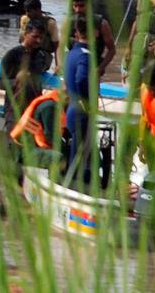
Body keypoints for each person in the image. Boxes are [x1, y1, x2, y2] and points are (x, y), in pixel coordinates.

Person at [0, 18, 53, 134]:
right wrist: (16, 80)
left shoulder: (41, 56)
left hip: (34, 109)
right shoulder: (12, 55)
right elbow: (1, 84)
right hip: (14, 110)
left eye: (41, 38)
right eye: (35, 37)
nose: (38, 41)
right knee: (14, 144)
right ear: (25, 34)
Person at [61, 20, 94, 186]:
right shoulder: (85, 55)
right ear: (95, 34)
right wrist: (84, 99)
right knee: (78, 152)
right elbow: (81, 78)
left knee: (75, 149)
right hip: (80, 108)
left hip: (71, 107)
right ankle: (73, 187)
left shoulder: (70, 54)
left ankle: (71, 181)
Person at [70, 0, 116, 77]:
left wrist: (100, 68)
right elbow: (62, 47)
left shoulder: (102, 24)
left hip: (92, 68)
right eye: (75, 6)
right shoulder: (69, 23)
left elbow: (112, 50)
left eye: (81, 6)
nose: (77, 10)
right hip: (73, 67)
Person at [17, 0, 60, 68]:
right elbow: (22, 41)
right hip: (27, 53)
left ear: (38, 10)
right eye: (26, 11)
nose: (27, 14)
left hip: (43, 57)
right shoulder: (25, 20)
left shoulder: (50, 23)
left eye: (29, 11)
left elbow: (57, 46)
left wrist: (58, 65)